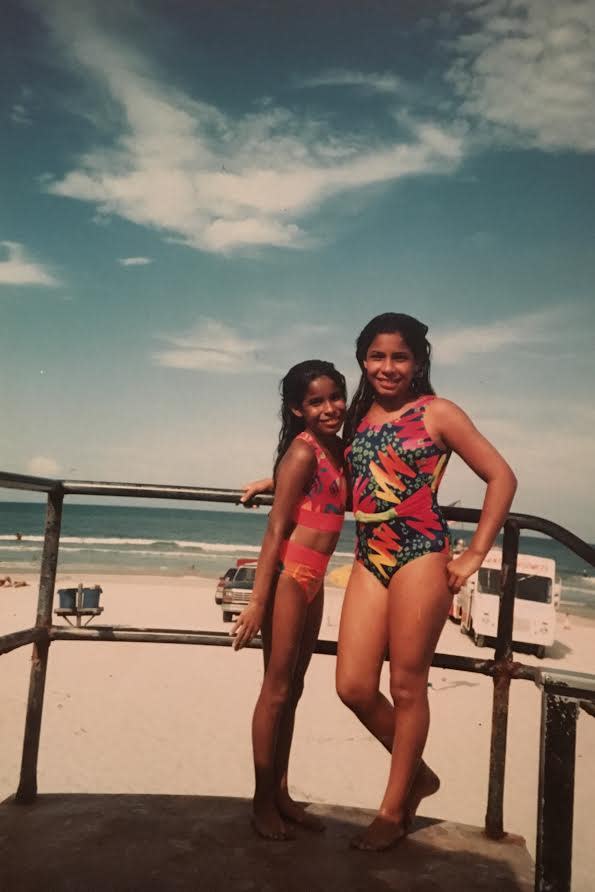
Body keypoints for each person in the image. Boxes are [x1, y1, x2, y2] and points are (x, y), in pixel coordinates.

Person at [242, 313, 517, 851]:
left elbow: (501, 476)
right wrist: (275, 482)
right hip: (370, 556)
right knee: (353, 686)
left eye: (400, 357)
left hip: (421, 554)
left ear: (418, 362)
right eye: (376, 356)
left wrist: (476, 553)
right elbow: (334, 466)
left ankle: (394, 810)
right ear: (363, 360)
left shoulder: (438, 413)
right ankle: (417, 773)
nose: (387, 367)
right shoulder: (358, 418)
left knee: (407, 685)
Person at [233, 359, 348, 840]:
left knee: (295, 688)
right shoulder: (302, 453)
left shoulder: (338, 450)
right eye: (316, 401)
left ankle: (280, 793)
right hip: (288, 577)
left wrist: (271, 480)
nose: (329, 408)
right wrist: (257, 601)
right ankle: (262, 802)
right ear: (298, 409)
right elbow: (277, 528)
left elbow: (312, 494)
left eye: (335, 397)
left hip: (315, 578)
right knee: (277, 689)